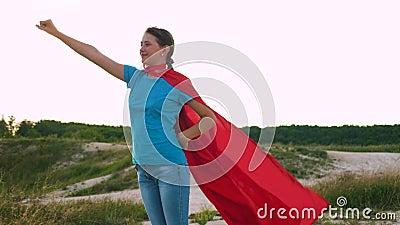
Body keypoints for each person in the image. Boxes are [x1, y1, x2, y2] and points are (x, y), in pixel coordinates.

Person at [36, 19, 216, 225]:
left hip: (170, 167)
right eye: (140, 44)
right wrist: (58, 34)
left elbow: (208, 118)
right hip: (143, 168)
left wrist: (183, 137)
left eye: (147, 44)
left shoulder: (177, 82)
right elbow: (96, 55)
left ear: (164, 50)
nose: (141, 49)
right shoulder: (135, 77)